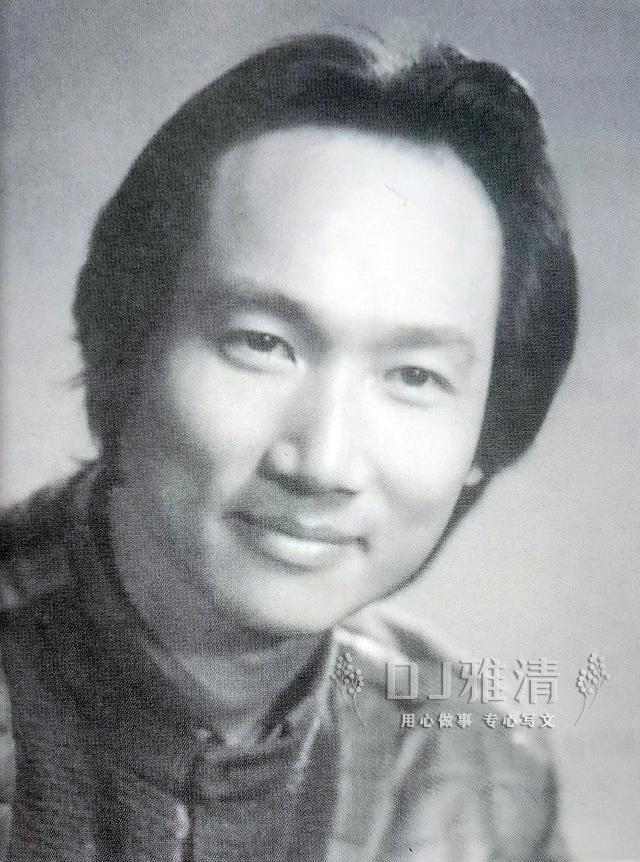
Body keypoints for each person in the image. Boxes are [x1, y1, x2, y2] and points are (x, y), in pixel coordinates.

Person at [0, 31, 577, 861]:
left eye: (414, 375)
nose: (323, 462)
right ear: (129, 346)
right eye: (262, 343)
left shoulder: (479, 779)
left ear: (487, 433)